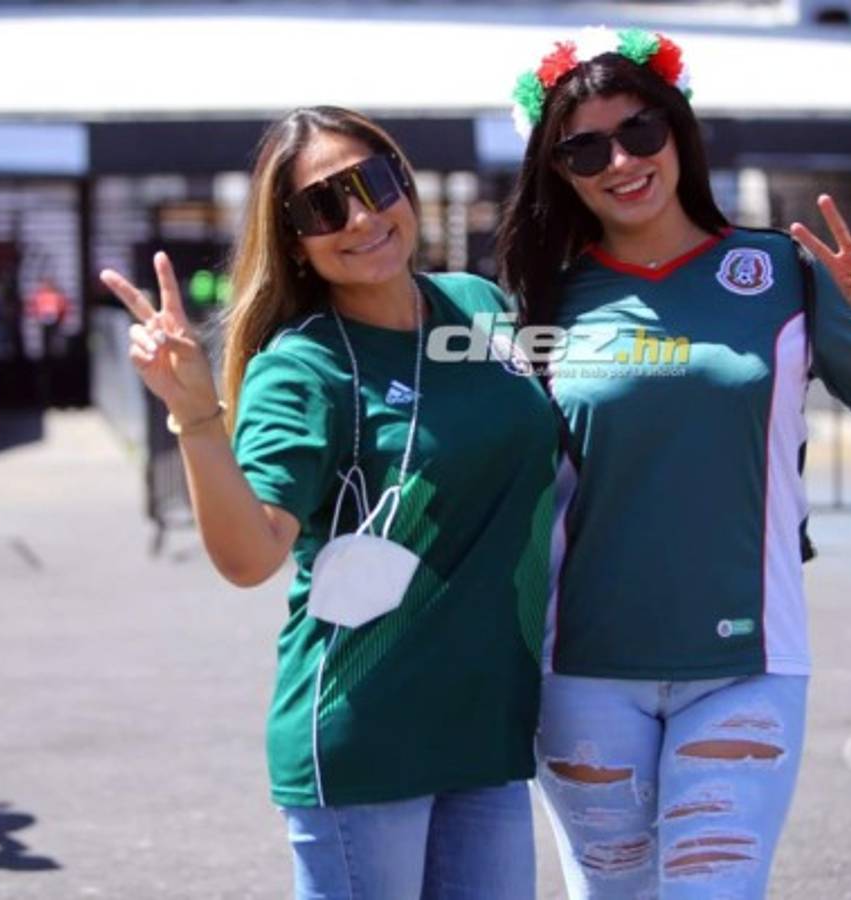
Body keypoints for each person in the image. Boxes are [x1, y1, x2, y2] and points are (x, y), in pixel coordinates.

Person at [497, 28, 851, 899]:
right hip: (581, 670)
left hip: (748, 665)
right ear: (556, 169)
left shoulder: (783, 270)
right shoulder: (542, 300)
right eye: (584, 147)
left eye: (640, 132)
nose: (621, 162)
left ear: (678, 131)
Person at [100, 106, 557, 900]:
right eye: (321, 206)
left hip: (487, 728)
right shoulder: (302, 367)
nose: (359, 217)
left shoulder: (479, 308)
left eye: (371, 184)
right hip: (366, 734)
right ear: (294, 239)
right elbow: (250, 558)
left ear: (402, 181)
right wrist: (196, 417)